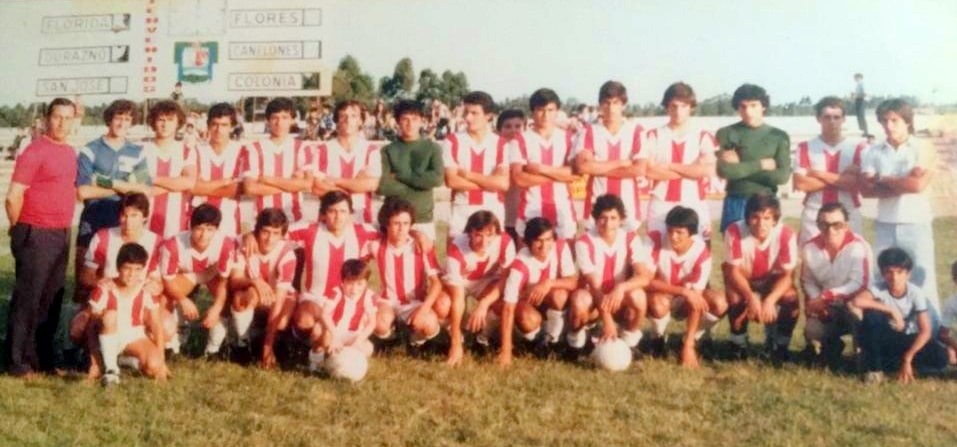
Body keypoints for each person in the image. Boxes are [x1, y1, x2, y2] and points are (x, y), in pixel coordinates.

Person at [5, 97, 78, 377]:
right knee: (28, 299)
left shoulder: (69, 152)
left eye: (67, 118)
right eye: (57, 117)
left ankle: (41, 358)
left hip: (61, 231)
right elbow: (13, 197)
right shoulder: (35, 150)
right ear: (48, 118)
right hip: (36, 231)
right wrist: (19, 229)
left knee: (51, 298)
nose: (62, 123)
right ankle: (16, 361)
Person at [859, 99, 940, 311]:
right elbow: (867, 190)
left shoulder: (922, 147)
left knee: (922, 277)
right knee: (884, 278)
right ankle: (889, 326)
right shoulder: (873, 151)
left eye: (894, 120)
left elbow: (917, 185)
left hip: (916, 222)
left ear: (907, 121)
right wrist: (903, 181)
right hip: (885, 223)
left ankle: (931, 328)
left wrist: (881, 178)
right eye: (884, 121)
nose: (889, 125)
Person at [70, 193, 162, 377]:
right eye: (124, 215)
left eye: (134, 215)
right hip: (107, 301)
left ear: (145, 217)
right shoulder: (104, 237)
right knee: (77, 328)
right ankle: (95, 357)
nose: (128, 221)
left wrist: (156, 286)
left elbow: (159, 284)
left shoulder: (155, 242)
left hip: (138, 304)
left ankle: (127, 357)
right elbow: (85, 276)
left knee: (166, 326)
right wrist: (103, 283)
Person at [75, 99, 151, 300]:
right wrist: (125, 187)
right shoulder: (90, 149)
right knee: (84, 280)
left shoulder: (137, 152)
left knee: (121, 275)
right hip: (94, 216)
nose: (122, 123)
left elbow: (145, 189)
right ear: (109, 119)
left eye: (127, 119)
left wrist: (106, 182)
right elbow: (83, 192)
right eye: (119, 117)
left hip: (124, 219)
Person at [286, 191, 379, 349]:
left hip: (348, 299)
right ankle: (303, 341)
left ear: (350, 214)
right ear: (323, 214)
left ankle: (329, 339)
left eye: (343, 211)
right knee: (304, 321)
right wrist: (250, 237)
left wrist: (417, 235)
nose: (338, 216)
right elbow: (278, 231)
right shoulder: (310, 230)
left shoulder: (362, 231)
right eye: (332, 211)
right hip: (316, 298)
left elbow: (392, 232)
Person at [568, 195, 652, 360]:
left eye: (613, 218)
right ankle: (577, 344)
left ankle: (629, 342)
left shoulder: (630, 238)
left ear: (621, 220)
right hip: (593, 297)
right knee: (579, 300)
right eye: (603, 218)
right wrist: (607, 321)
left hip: (618, 298)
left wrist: (621, 287)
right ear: (595, 219)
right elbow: (595, 286)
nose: (607, 224)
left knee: (638, 296)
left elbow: (644, 277)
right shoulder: (584, 242)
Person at [645, 206, 727, 368]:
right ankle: (657, 338)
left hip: (685, 300)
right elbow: (646, 280)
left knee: (720, 303)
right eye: (670, 230)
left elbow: (696, 298)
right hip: (661, 295)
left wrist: (688, 345)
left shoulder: (701, 252)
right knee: (657, 303)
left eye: (679, 232)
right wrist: (683, 291)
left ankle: (690, 339)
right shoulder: (655, 240)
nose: (673, 236)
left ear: (691, 233)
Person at [723, 193, 799, 362]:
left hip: (772, 279)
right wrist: (751, 297)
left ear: (775, 219)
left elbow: (788, 275)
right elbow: (733, 271)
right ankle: (738, 343)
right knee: (735, 298)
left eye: (767, 218)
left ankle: (780, 345)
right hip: (744, 277)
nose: (761, 223)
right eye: (755, 217)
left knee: (790, 297)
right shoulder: (734, 231)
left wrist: (770, 300)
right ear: (748, 218)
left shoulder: (786, 234)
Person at [854, 248, 948, 384]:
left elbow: (925, 331)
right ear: (882, 273)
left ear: (908, 274)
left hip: (906, 338)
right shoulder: (879, 288)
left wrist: (908, 358)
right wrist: (891, 311)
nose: (894, 278)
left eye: (899, 272)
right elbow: (857, 301)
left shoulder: (915, 293)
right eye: (889, 272)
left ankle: (899, 364)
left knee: (941, 355)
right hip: (885, 338)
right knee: (872, 316)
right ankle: (875, 369)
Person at [367, 198, 449, 351]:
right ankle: (393, 338)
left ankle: (415, 341)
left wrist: (424, 310)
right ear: (386, 224)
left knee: (428, 323)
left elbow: (436, 283)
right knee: (380, 324)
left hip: (415, 301)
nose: (401, 229)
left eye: (406, 224)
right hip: (388, 301)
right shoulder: (376, 245)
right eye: (396, 223)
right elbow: (358, 268)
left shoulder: (420, 245)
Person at [799, 202, 871, 369]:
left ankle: (862, 353)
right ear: (818, 225)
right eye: (824, 225)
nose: (830, 230)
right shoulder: (810, 248)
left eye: (837, 225)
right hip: (827, 305)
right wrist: (817, 300)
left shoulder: (859, 246)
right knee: (812, 329)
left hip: (854, 302)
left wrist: (827, 296)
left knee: (856, 310)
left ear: (846, 225)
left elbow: (859, 283)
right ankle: (830, 347)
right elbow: (807, 281)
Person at [643, 82, 717, 240]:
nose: (678, 111)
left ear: (691, 107)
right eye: (674, 106)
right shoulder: (653, 135)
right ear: (667, 107)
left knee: (699, 248)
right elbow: (650, 172)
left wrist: (670, 166)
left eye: (683, 106)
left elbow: (708, 170)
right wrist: (692, 170)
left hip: (694, 202)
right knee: (656, 249)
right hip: (661, 203)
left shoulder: (702, 135)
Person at [499, 217, 578, 366]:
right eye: (538, 241)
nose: (544, 245)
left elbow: (573, 282)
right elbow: (508, 307)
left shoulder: (560, 247)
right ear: (528, 242)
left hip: (549, 302)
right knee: (526, 316)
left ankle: (554, 340)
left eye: (548, 239)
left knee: (559, 294)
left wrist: (549, 283)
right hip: (529, 304)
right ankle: (533, 342)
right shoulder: (520, 263)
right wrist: (506, 350)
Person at [159, 204, 236, 355]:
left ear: (217, 229)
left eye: (210, 229)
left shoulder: (225, 244)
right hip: (184, 274)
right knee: (165, 298)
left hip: (212, 274)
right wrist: (182, 300)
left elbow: (223, 281)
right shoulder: (173, 244)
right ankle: (173, 343)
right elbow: (168, 280)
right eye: (199, 229)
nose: (203, 235)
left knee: (225, 299)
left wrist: (217, 307)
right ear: (190, 226)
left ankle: (213, 349)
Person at [792, 96, 868, 245]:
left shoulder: (858, 148)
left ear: (844, 119)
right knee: (812, 257)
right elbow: (801, 184)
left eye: (836, 117)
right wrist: (841, 178)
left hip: (848, 213)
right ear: (818, 119)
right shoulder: (805, 147)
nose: (832, 121)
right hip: (814, 213)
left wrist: (817, 174)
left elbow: (856, 183)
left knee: (851, 255)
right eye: (827, 117)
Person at [573, 80, 647, 231]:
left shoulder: (636, 130)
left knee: (628, 246)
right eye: (606, 103)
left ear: (624, 105)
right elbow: (583, 167)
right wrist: (621, 162)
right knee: (594, 245)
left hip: (628, 206)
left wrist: (597, 168)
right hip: (596, 205)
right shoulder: (589, 131)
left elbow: (639, 169)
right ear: (600, 105)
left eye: (616, 103)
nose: (611, 108)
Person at [716, 84, 791, 232]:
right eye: (743, 106)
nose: (748, 111)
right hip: (736, 200)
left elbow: (782, 176)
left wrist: (741, 167)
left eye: (753, 105)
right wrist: (761, 164)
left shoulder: (778, 136)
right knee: (734, 244)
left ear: (763, 106)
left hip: (766, 203)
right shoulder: (727, 133)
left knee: (768, 245)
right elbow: (725, 171)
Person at [509, 89, 580, 244]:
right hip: (530, 210)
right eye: (540, 110)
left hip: (563, 211)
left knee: (566, 257)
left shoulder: (569, 138)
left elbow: (575, 174)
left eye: (550, 110)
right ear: (533, 112)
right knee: (527, 257)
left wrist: (541, 169)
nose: (545, 115)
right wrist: (560, 175)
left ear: (557, 111)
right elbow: (519, 179)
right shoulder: (520, 140)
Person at [444, 210, 515, 366]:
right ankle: (456, 338)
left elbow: (504, 280)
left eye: (489, 235)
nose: (484, 242)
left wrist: (484, 304)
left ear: (497, 233)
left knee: (502, 303)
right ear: (469, 232)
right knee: (443, 305)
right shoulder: (456, 247)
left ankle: (482, 336)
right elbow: (457, 296)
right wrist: (455, 344)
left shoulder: (505, 242)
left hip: (486, 280)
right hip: (461, 282)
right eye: (478, 235)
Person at [91, 243, 168, 386]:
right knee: (110, 315)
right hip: (108, 334)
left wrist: (162, 361)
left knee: (154, 367)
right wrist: (93, 361)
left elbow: (156, 324)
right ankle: (111, 370)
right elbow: (91, 327)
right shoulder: (105, 287)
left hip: (133, 334)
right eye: (127, 268)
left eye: (137, 269)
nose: (132, 274)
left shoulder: (145, 288)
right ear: (118, 267)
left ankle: (124, 361)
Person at [229, 208, 298, 368]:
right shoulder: (244, 245)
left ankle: (274, 344)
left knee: (281, 323)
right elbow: (234, 281)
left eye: (275, 233)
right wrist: (254, 282)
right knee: (242, 298)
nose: (269, 239)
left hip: (280, 296)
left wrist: (268, 345)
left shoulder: (287, 255)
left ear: (282, 235)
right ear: (257, 230)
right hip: (256, 294)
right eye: (265, 232)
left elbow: (279, 302)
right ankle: (243, 344)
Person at [301, 100, 381, 224]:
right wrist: (355, 185)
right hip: (329, 221)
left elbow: (371, 185)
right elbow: (316, 188)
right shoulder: (323, 150)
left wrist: (334, 181)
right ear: (337, 120)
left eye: (353, 116)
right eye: (343, 116)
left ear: (361, 120)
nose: (348, 120)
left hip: (361, 219)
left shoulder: (371, 151)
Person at [443, 91, 510, 237]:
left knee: (491, 251)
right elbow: (451, 181)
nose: (468, 118)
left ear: (488, 115)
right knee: (458, 251)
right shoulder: (452, 141)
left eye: (474, 113)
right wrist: (490, 183)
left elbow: (503, 184)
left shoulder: (500, 143)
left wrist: (468, 175)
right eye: (466, 112)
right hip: (462, 209)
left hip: (492, 209)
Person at [377, 100, 444, 240]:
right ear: (397, 122)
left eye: (414, 119)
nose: (410, 124)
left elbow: (436, 179)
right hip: (393, 219)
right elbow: (384, 187)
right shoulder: (388, 150)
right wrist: (421, 183)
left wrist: (400, 176)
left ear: (422, 121)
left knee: (424, 254)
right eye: (405, 119)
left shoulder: (432, 148)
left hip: (422, 219)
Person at [242, 97, 311, 223]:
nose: (279, 123)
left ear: (292, 120)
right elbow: (250, 188)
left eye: (285, 117)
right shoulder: (254, 148)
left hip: (294, 219)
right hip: (264, 220)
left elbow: (307, 185)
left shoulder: (302, 147)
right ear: (267, 120)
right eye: (275, 118)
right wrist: (292, 185)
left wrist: (267, 179)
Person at [309, 259, 378, 372]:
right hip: (334, 330)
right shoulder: (337, 292)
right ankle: (316, 362)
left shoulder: (369, 296)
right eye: (350, 283)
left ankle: (345, 360)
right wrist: (335, 337)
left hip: (353, 334)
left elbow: (372, 323)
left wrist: (358, 341)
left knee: (368, 349)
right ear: (343, 281)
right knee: (317, 331)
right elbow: (325, 314)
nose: (354, 289)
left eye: (359, 284)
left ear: (366, 282)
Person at [143, 100, 197, 238]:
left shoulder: (186, 150)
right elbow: (140, 189)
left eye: (170, 120)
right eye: (161, 119)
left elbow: (189, 183)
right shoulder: (141, 150)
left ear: (178, 123)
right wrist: (176, 184)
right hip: (144, 224)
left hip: (176, 225)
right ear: (153, 121)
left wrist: (153, 179)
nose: (165, 124)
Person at [192, 103, 245, 236]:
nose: (218, 129)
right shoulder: (196, 150)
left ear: (232, 127)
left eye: (224, 125)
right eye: (214, 124)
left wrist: (204, 186)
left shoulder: (242, 151)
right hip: (199, 219)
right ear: (208, 125)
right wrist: (224, 182)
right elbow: (192, 187)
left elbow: (238, 189)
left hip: (229, 220)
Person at [497, 109, 526, 244]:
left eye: (518, 126)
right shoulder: (494, 152)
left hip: (523, 213)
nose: (513, 130)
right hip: (503, 211)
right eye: (508, 126)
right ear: (499, 130)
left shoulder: (530, 151)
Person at [937, 261, 957, 362]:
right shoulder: (952, 302)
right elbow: (942, 334)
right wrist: (954, 346)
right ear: (955, 281)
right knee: (948, 354)